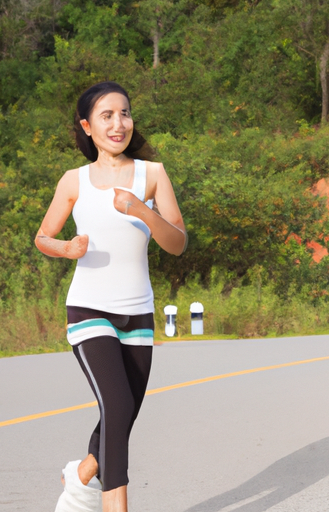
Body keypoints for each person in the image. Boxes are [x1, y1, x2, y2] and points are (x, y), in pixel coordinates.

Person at [35, 81, 187, 512]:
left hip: (137, 313)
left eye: (124, 113)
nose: (118, 123)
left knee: (122, 416)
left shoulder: (152, 174)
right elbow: (43, 236)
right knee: (118, 405)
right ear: (87, 126)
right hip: (88, 309)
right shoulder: (73, 181)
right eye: (106, 115)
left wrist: (142, 210)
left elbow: (177, 242)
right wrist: (66, 248)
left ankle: (78, 476)